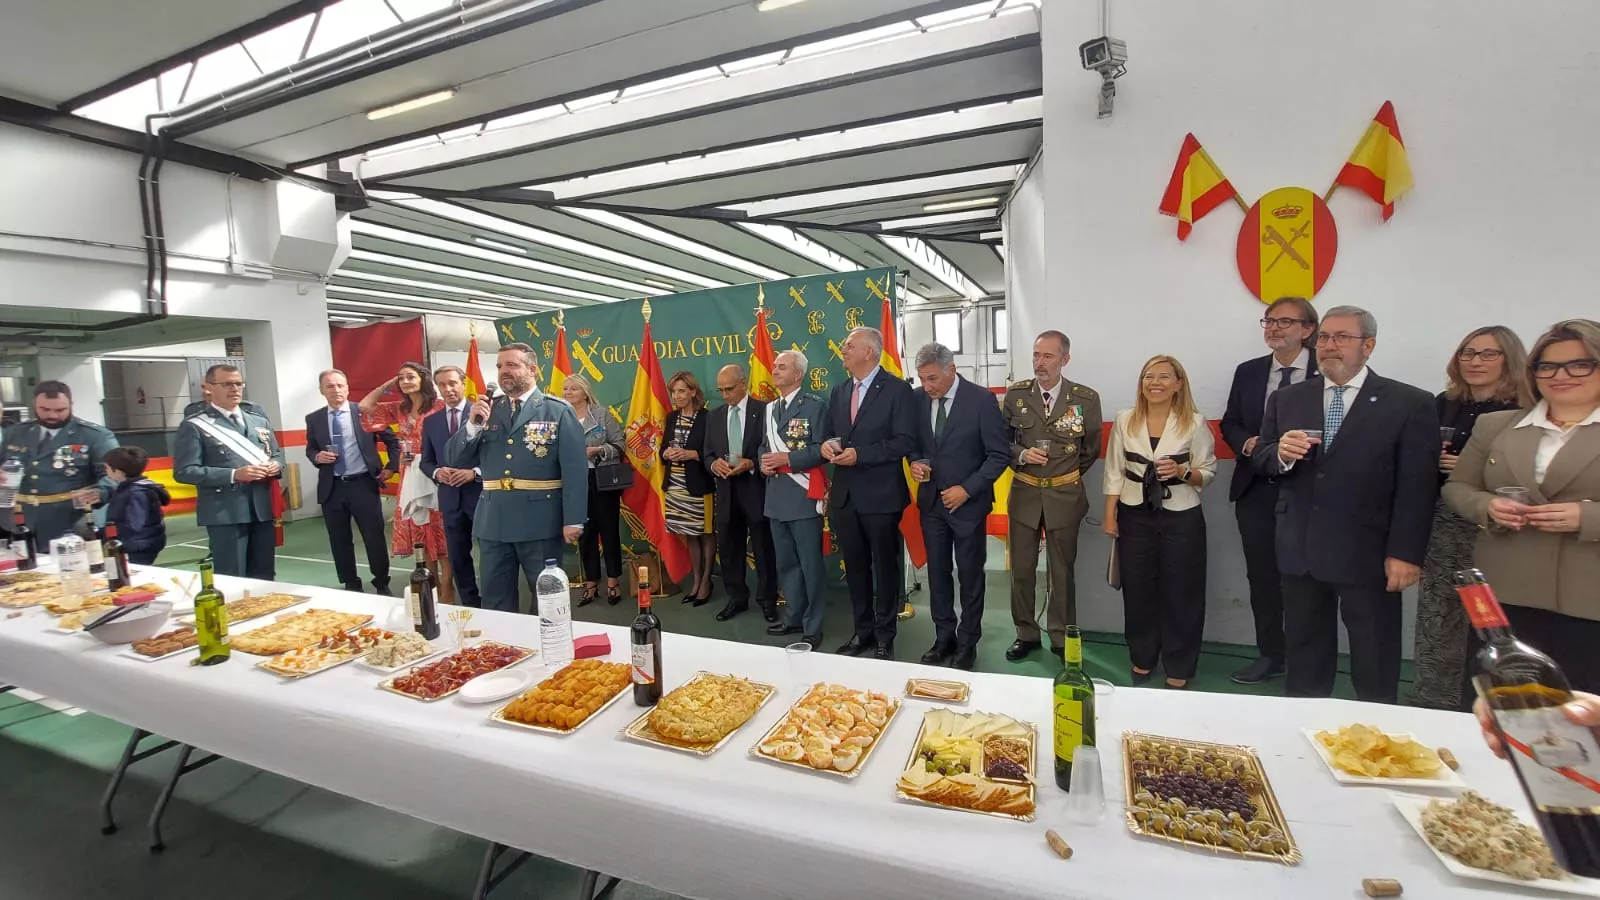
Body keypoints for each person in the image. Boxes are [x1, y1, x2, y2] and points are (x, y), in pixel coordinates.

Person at [1256, 306, 1439, 704]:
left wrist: (1405, 554)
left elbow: (1417, 487)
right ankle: (1300, 730)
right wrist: (1281, 454)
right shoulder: (1287, 399)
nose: (1329, 346)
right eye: (1323, 337)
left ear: (1368, 345)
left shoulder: (1409, 403)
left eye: (1342, 337)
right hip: (1300, 548)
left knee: (1374, 656)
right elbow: (1263, 458)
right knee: (1304, 655)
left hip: (1368, 553)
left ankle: (1378, 736)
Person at [1443, 319, 1600, 693]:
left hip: (1587, 597)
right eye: (1547, 366)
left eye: (1580, 364)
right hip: (1504, 590)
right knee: (1495, 709)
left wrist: (1588, 516)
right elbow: (1458, 486)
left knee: (1578, 716)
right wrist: (1488, 506)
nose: (1561, 375)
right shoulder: (1496, 425)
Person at [1412, 327, 1532, 709]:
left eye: (1487, 354)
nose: (1475, 361)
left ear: (1509, 360)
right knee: (1437, 618)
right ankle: (1432, 701)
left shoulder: (1526, 412)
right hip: (1443, 521)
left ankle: (1482, 706)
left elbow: (1530, 477)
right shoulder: (1442, 403)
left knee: (1490, 621)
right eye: (1468, 353)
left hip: (1497, 530)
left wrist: (1473, 467)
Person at [1219, 297, 1319, 685]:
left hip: (1306, 491)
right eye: (1269, 321)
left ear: (1307, 329)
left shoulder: (1323, 373)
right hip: (1256, 489)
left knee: (1306, 580)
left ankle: (1306, 657)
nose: (1274, 328)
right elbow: (1231, 422)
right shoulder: (1249, 372)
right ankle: (1270, 655)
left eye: (1285, 322)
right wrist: (1247, 445)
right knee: (1262, 578)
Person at [1103, 356, 1217, 689]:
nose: (1155, 382)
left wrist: (1183, 472)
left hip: (1181, 515)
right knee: (1138, 590)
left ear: (1179, 384)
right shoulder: (1125, 420)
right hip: (1134, 512)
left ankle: (1179, 666)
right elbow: (1113, 470)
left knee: (1183, 591)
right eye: (1148, 377)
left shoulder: (1194, 422)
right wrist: (1110, 514)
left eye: (1165, 377)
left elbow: (1207, 471)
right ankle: (1142, 657)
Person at [446, 343, 586, 614]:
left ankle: (548, 653)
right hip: (494, 523)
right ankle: (501, 652)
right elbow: (454, 458)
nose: (503, 372)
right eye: (499, 366)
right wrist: (473, 425)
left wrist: (573, 519)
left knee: (547, 599)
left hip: (540, 522)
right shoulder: (488, 410)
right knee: (495, 600)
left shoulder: (556, 411)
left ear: (532, 370)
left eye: (511, 365)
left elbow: (575, 470)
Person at [1002, 331, 1103, 663]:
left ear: (1065, 359)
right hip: (1025, 493)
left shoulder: (1085, 399)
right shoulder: (1016, 395)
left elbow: (1090, 450)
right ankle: (1026, 633)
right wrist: (1020, 454)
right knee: (1021, 570)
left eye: (1047, 356)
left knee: (1062, 572)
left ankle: (1060, 636)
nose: (1039, 363)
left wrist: (1063, 473)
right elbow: (1000, 442)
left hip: (1064, 495)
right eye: (1035, 355)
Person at [909, 343, 1010, 671]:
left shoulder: (981, 400)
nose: (928, 386)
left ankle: (968, 642)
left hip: (968, 505)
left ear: (951, 369)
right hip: (931, 504)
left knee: (970, 576)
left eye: (933, 378)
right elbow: (916, 445)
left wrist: (967, 489)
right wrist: (915, 463)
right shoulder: (917, 400)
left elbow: (998, 455)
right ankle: (943, 637)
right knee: (938, 574)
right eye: (923, 379)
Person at [822, 326, 918, 660]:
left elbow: (905, 441)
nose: (843, 349)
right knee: (856, 568)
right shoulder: (839, 391)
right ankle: (861, 632)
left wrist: (861, 454)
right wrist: (829, 444)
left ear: (870, 352)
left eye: (850, 345)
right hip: (845, 497)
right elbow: (831, 433)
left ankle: (884, 635)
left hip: (881, 496)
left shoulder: (896, 390)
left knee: (885, 568)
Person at [173, 364, 286, 579]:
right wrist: (234, 475)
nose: (234, 389)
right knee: (232, 574)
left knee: (265, 575)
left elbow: (277, 456)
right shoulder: (195, 425)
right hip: (225, 512)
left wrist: (275, 466)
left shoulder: (258, 421)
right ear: (208, 388)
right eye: (226, 384)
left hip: (262, 509)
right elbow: (185, 471)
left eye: (238, 384)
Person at [358, 362, 451, 601]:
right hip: (411, 472)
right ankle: (432, 585)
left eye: (410, 377)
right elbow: (365, 406)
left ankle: (448, 588)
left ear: (423, 379)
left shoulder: (439, 406)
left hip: (435, 471)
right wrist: (389, 384)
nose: (406, 382)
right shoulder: (400, 408)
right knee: (421, 529)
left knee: (442, 532)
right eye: (401, 378)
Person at [306, 369, 399, 595]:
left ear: (347, 388)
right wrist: (316, 456)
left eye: (340, 385)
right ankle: (350, 582)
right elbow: (311, 447)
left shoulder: (364, 412)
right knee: (339, 539)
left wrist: (391, 468)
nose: (336, 390)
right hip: (332, 487)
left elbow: (393, 441)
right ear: (322, 390)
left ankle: (381, 580)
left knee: (374, 535)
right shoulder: (314, 419)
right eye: (330, 386)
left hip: (363, 484)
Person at [759, 350, 830, 648]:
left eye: (782, 367)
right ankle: (793, 617)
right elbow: (763, 446)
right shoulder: (770, 409)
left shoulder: (814, 406)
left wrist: (787, 457)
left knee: (810, 565)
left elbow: (823, 448)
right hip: (776, 497)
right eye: (775, 366)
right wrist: (762, 461)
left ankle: (813, 625)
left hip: (802, 497)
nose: (775, 370)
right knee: (787, 564)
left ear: (798, 374)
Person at [0, 381, 119, 544]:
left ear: (71, 405)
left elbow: (115, 474)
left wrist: (101, 491)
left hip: (71, 523)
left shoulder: (95, 436)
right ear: (34, 405)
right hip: (20, 522)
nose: (53, 416)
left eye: (60, 410)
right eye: (45, 409)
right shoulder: (15, 433)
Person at [705, 364, 779, 623]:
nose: (725, 395)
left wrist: (753, 464)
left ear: (743, 383)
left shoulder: (765, 411)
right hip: (726, 492)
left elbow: (772, 449)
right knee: (729, 549)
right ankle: (736, 598)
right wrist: (714, 464)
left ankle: (768, 600)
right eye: (721, 390)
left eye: (730, 389)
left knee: (763, 548)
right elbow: (707, 455)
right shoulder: (713, 416)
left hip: (755, 490)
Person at [420, 365, 484, 608]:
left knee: (490, 554)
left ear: (463, 383)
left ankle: (495, 603)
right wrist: (437, 472)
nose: (447, 389)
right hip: (449, 499)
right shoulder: (431, 422)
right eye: (442, 385)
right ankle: (471, 603)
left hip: (481, 495)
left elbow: (496, 457)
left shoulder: (482, 414)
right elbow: (426, 461)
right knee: (457, 556)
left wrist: (474, 473)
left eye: (452, 383)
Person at [560, 374, 624, 607]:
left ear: (585, 392)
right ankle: (591, 583)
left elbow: (620, 444)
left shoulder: (601, 414)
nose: (567, 392)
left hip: (603, 480)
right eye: (565, 388)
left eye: (573, 388)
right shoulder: (561, 417)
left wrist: (598, 450)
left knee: (609, 531)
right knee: (584, 533)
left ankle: (614, 581)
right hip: (576, 482)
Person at [662, 371, 717, 605]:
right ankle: (695, 579)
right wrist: (665, 453)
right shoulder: (671, 417)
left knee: (705, 533)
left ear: (693, 392)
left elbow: (714, 451)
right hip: (675, 485)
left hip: (699, 485)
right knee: (690, 535)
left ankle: (706, 581)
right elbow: (663, 447)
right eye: (674, 391)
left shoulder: (709, 418)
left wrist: (690, 454)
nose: (677, 396)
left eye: (682, 391)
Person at [103, 446, 169, 565]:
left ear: (118, 472)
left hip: (138, 547)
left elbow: (134, 525)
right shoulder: (132, 489)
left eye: (107, 468)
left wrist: (107, 533)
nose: (105, 471)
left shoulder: (135, 493)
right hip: (140, 543)